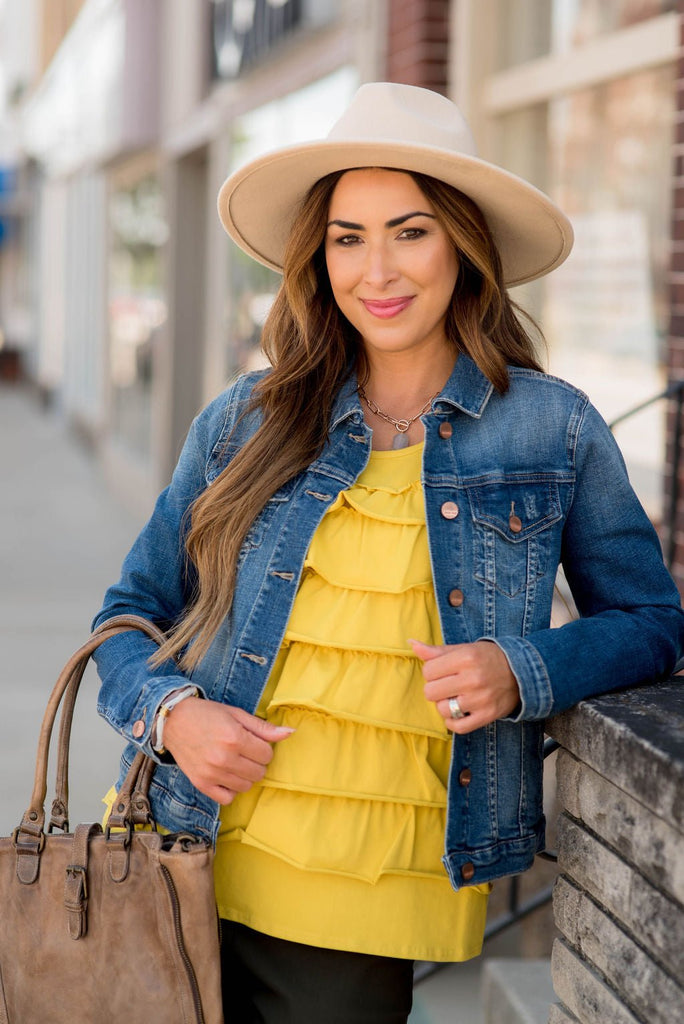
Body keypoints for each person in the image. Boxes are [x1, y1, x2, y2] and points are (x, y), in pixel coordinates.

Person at [93, 82, 684, 1023]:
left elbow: (654, 624)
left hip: (374, 885)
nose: (378, 269)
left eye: (409, 232)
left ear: (464, 245)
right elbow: (128, 615)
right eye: (347, 237)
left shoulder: (553, 428)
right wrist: (171, 718)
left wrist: (522, 670)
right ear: (317, 257)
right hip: (191, 851)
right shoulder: (245, 419)